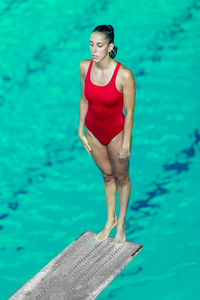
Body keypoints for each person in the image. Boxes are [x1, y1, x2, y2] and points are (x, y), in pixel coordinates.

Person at [78, 25, 135, 244]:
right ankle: (109, 220)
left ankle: (121, 224)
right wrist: (80, 129)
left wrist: (126, 143)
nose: (94, 50)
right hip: (93, 132)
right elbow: (84, 99)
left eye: (99, 45)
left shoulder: (124, 75)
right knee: (106, 176)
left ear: (110, 47)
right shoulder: (84, 67)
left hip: (116, 135)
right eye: (91, 45)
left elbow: (129, 112)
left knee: (121, 179)